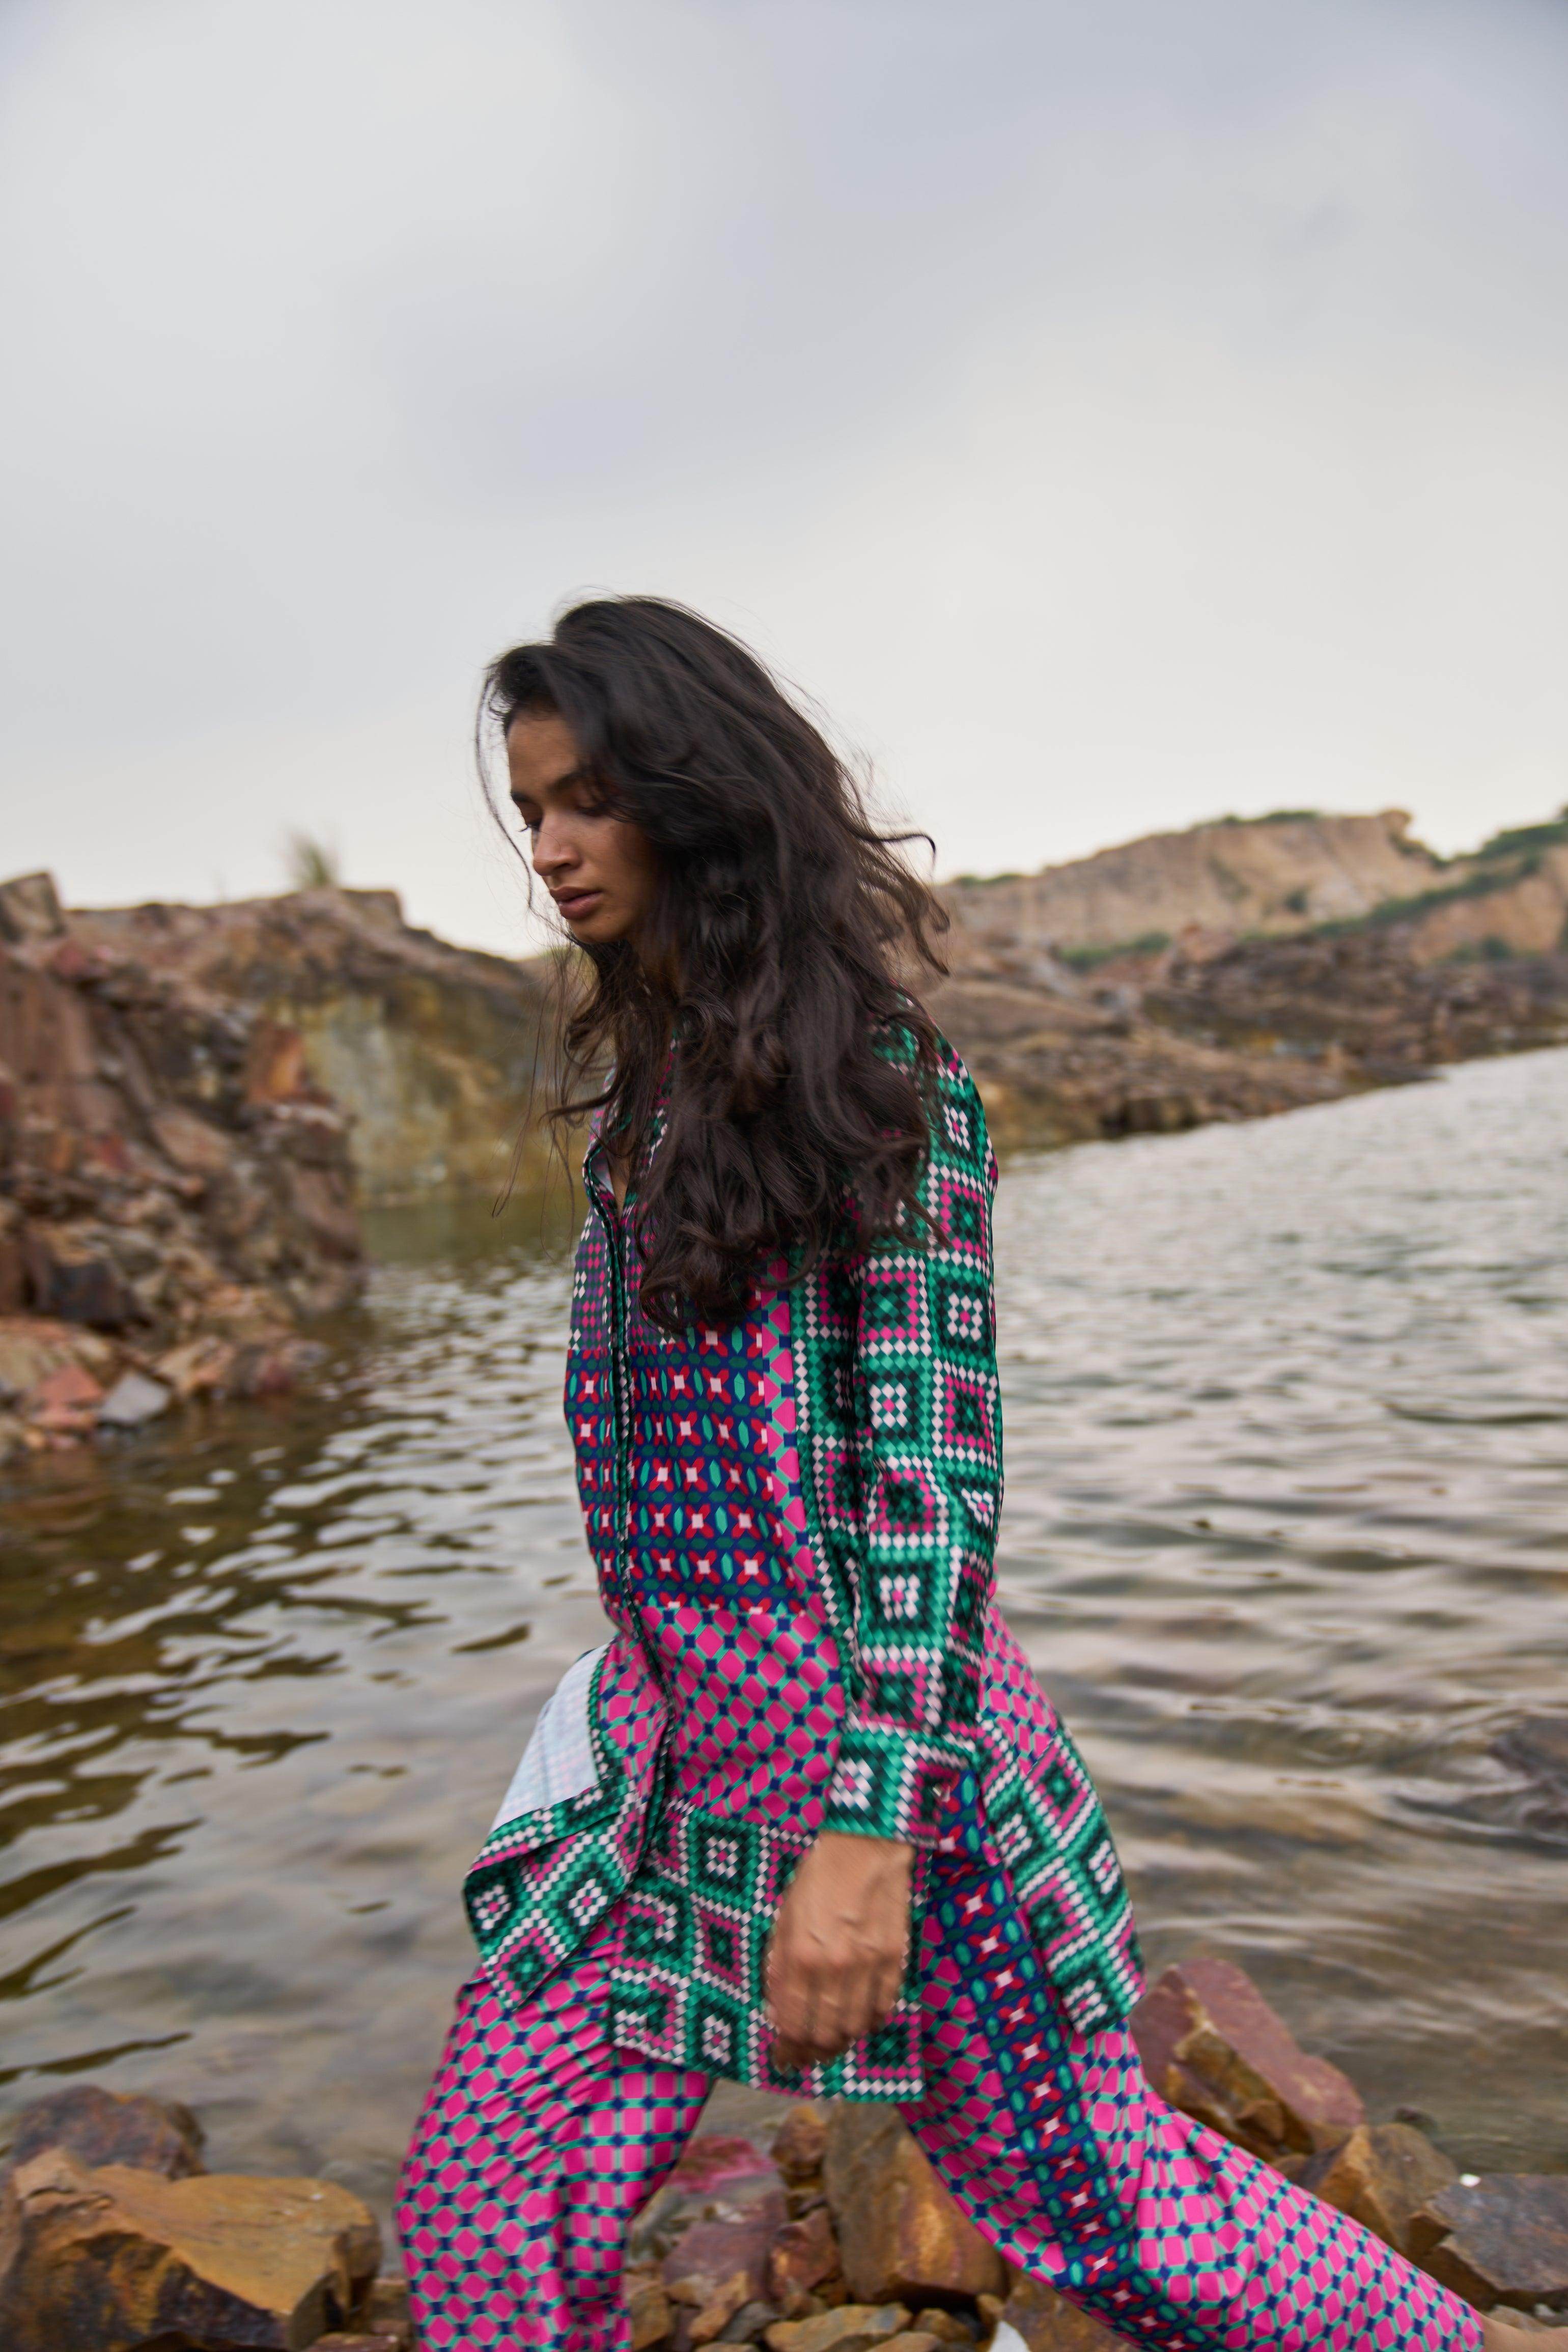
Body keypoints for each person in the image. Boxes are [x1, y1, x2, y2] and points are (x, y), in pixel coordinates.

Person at [396, 599, 1527, 2352]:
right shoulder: (642, 1106)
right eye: (532, 807)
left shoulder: (882, 1083)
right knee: (485, 2209)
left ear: (700, 799)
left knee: (1130, 2225)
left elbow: (931, 1501)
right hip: (662, 1770)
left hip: (894, 1777)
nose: (547, 847)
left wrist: (868, 1836)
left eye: (590, 800)